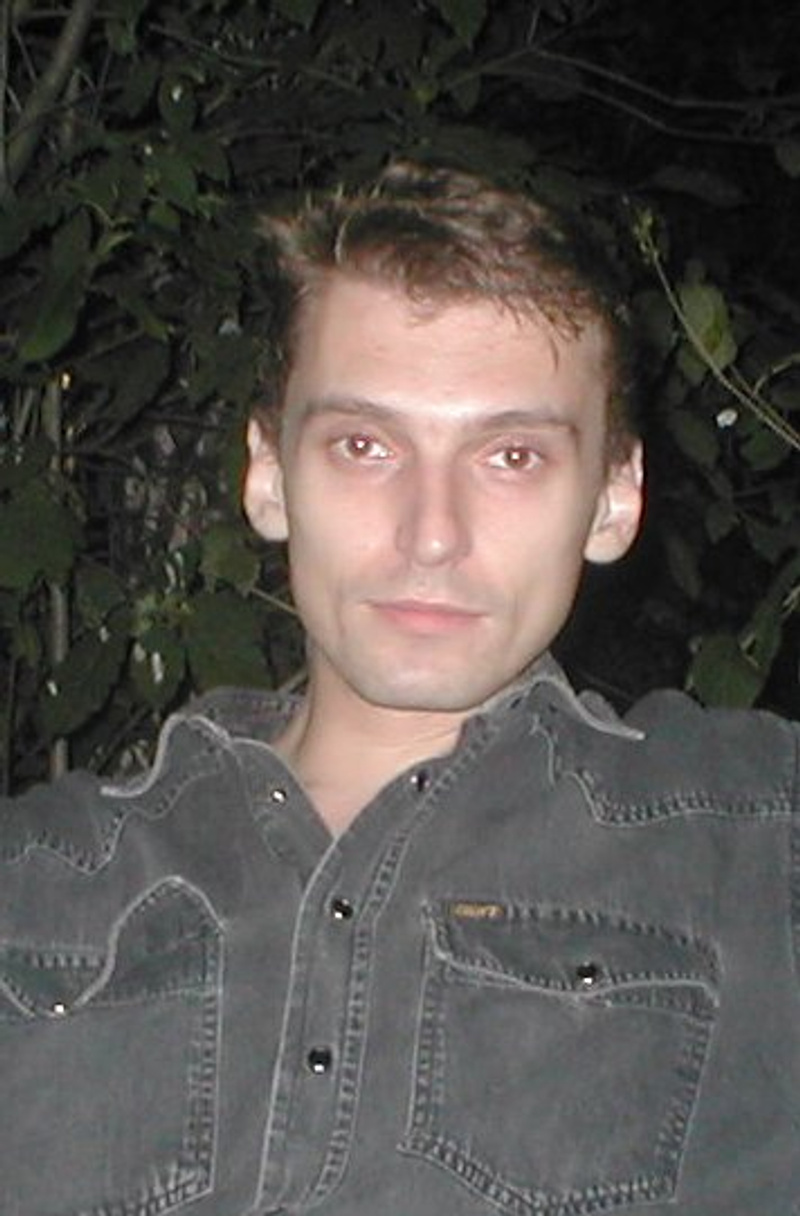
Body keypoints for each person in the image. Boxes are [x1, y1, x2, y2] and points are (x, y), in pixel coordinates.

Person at [1, 162, 798, 1216]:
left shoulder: (752, 843)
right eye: (365, 445)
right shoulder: (36, 883)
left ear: (613, 499)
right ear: (267, 475)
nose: (431, 534)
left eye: (510, 456)